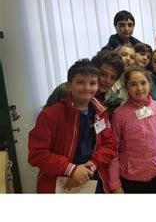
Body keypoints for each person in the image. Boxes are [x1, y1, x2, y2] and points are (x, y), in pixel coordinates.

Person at [28, 59, 117, 193]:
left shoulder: (101, 112)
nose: (87, 88)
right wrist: (71, 169)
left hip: (92, 177)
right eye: (80, 82)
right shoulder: (49, 115)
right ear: (69, 85)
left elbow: (110, 144)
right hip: (58, 182)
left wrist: (92, 166)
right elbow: (37, 154)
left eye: (92, 83)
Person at [108, 67, 156, 193]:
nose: (139, 88)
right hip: (131, 179)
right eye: (133, 84)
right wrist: (115, 184)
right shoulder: (119, 115)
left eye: (143, 83)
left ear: (149, 84)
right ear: (126, 87)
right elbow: (113, 150)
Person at [44, 50, 125, 115]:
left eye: (113, 77)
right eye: (103, 74)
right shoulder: (65, 90)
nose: (107, 81)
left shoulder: (112, 101)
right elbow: (45, 118)